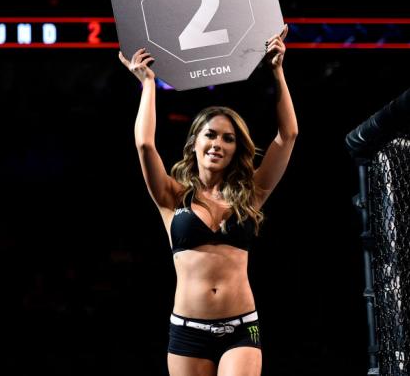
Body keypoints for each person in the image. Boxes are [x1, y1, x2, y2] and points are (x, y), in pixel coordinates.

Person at [118, 25, 297, 376]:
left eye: (228, 138)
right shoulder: (171, 196)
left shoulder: (251, 194)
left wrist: (277, 70)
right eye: (210, 135)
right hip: (188, 332)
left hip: (242, 328)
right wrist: (148, 85)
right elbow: (144, 145)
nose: (218, 143)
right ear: (194, 143)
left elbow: (288, 135)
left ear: (236, 149)